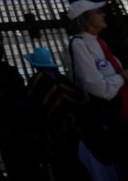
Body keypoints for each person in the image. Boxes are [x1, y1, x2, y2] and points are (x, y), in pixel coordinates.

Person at [66, 0, 128, 180]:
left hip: (126, 108)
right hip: (112, 114)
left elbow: (115, 82)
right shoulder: (79, 44)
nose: (103, 14)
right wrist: (125, 76)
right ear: (85, 19)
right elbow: (97, 88)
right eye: (97, 12)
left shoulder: (100, 42)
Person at [0, 41, 50, 181]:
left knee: (15, 160)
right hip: (25, 119)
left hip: (7, 122)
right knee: (32, 159)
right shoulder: (11, 69)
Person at [24, 46, 90, 181]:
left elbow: (33, 107)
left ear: (35, 65)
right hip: (76, 128)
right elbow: (78, 98)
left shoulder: (36, 81)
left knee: (62, 163)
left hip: (53, 130)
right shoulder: (62, 78)